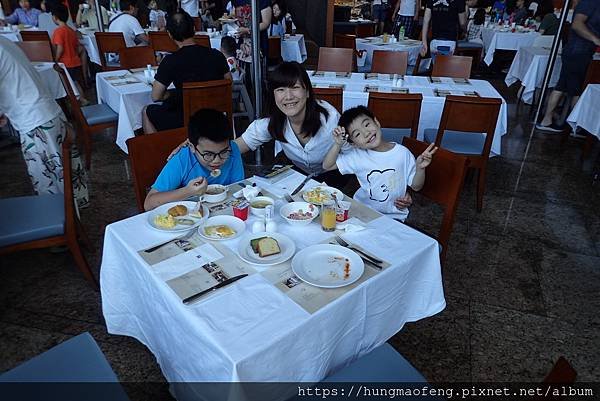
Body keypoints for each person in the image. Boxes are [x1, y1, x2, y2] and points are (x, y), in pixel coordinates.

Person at [168, 62, 344, 186]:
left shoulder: (330, 120)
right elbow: (235, 146)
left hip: (337, 177)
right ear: (273, 95)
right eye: (280, 90)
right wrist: (196, 143)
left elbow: (357, 149)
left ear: (307, 92)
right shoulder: (271, 124)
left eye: (295, 88)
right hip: (302, 178)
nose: (288, 97)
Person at [0, 36, 88, 206]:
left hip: (36, 121)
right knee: (65, 174)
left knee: (50, 182)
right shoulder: (3, 41)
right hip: (48, 112)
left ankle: (67, 225)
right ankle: (73, 221)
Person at [322, 106, 437, 222]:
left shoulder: (402, 153)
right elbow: (327, 166)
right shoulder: (357, 156)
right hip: (363, 212)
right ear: (353, 144)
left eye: (367, 125)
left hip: (394, 216)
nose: (366, 133)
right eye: (357, 134)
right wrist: (337, 144)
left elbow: (416, 186)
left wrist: (420, 169)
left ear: (376, 122)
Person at [142, 11, 231, 133]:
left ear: (170, 34)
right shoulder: (217, 55)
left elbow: (156, 96)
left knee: (146, 111)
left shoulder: (170, 61)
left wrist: (172, 95)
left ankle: (160, 151)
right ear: (194, 29)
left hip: (186, 119)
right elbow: (228, 83)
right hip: (216, 114)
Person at [144, 109, 245, 211]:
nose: (217, 160)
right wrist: (187, 191)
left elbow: (238, 187)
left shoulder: (232, 149)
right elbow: (149, 204)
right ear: (192, 147)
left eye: (223, 152)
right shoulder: (182, 159)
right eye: (208, 154)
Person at [536, 0, 600, 132]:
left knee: (564, 85)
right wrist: (595, 39)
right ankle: (576, 126)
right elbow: (577, 24)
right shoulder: (591, 2)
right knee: (576, 90)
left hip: (579, 50)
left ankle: (549, 120)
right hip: (578, 50)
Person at [51, 4, 88, 104]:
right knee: (75, 82)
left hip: (66, 63)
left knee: (70, 85)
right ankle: (83, 99)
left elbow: (60, 48)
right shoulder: (71, 31)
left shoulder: (58, 32)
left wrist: (56, 59)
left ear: (54, 17)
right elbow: (76, 46)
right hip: (76, 62)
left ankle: (80, 100)